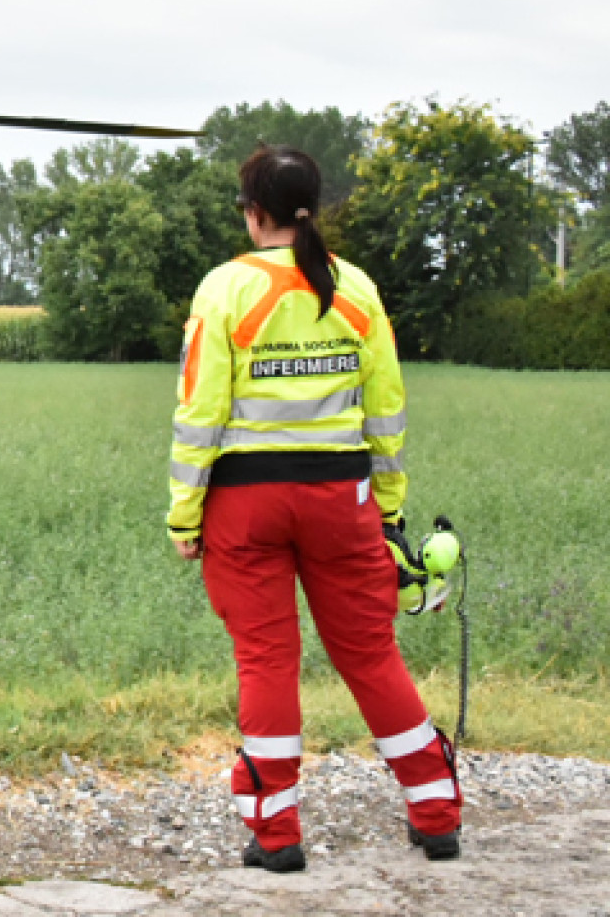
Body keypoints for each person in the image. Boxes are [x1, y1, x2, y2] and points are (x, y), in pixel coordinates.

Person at [167, 145, 461, 873]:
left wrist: (184, 516)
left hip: (245, 503)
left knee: (266, 659)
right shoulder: (355, 288)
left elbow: (199, 412)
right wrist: (388, 512)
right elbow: (385, 413)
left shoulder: (224, 289)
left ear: (253, 212)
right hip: (344, 498)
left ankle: (276, 834)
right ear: (312, 208)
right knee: (370, 654)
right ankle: (435, 813)